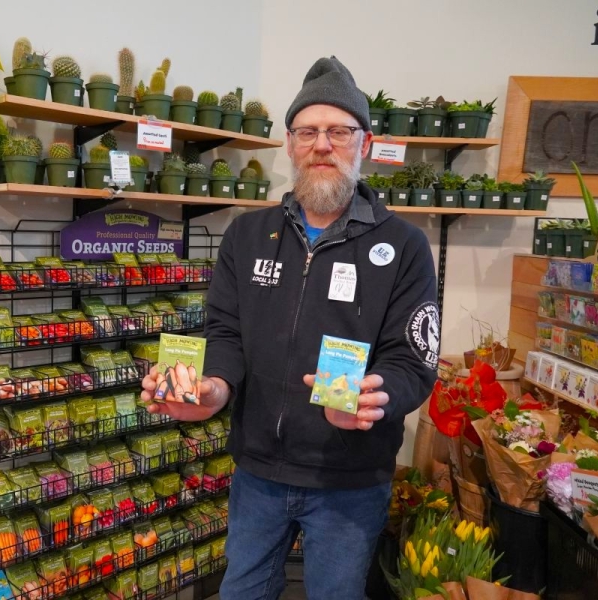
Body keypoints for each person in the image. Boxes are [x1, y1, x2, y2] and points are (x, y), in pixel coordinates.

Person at [141, 55, 439, 600]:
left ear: (364, 144)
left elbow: (412, 356)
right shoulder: (248, 235)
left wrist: (376, 397)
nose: (322, 144)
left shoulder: (404, 247)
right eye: (308, 131)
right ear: (290, 142)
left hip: (350, 483)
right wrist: (211, 388)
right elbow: (225, 333)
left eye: (339, 131)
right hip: (258, 473)